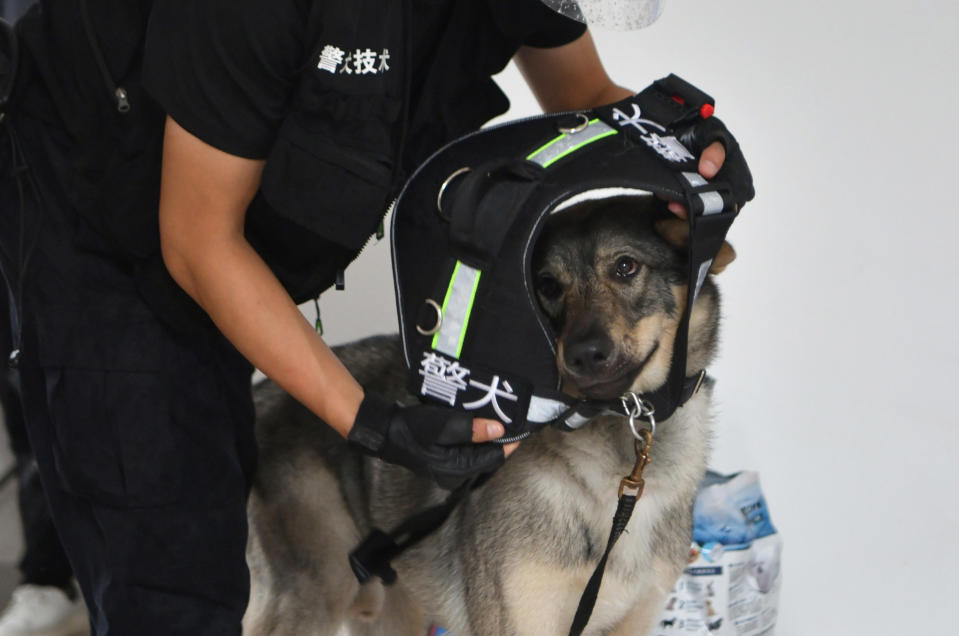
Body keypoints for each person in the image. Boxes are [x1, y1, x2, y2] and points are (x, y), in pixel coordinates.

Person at [0, 0, 731, 633]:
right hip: (103, 238)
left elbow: (589, 100)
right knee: (173, 583)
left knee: (216, 528)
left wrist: (678, 166)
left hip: (228, 234)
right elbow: (198, 242)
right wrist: (370, 422)